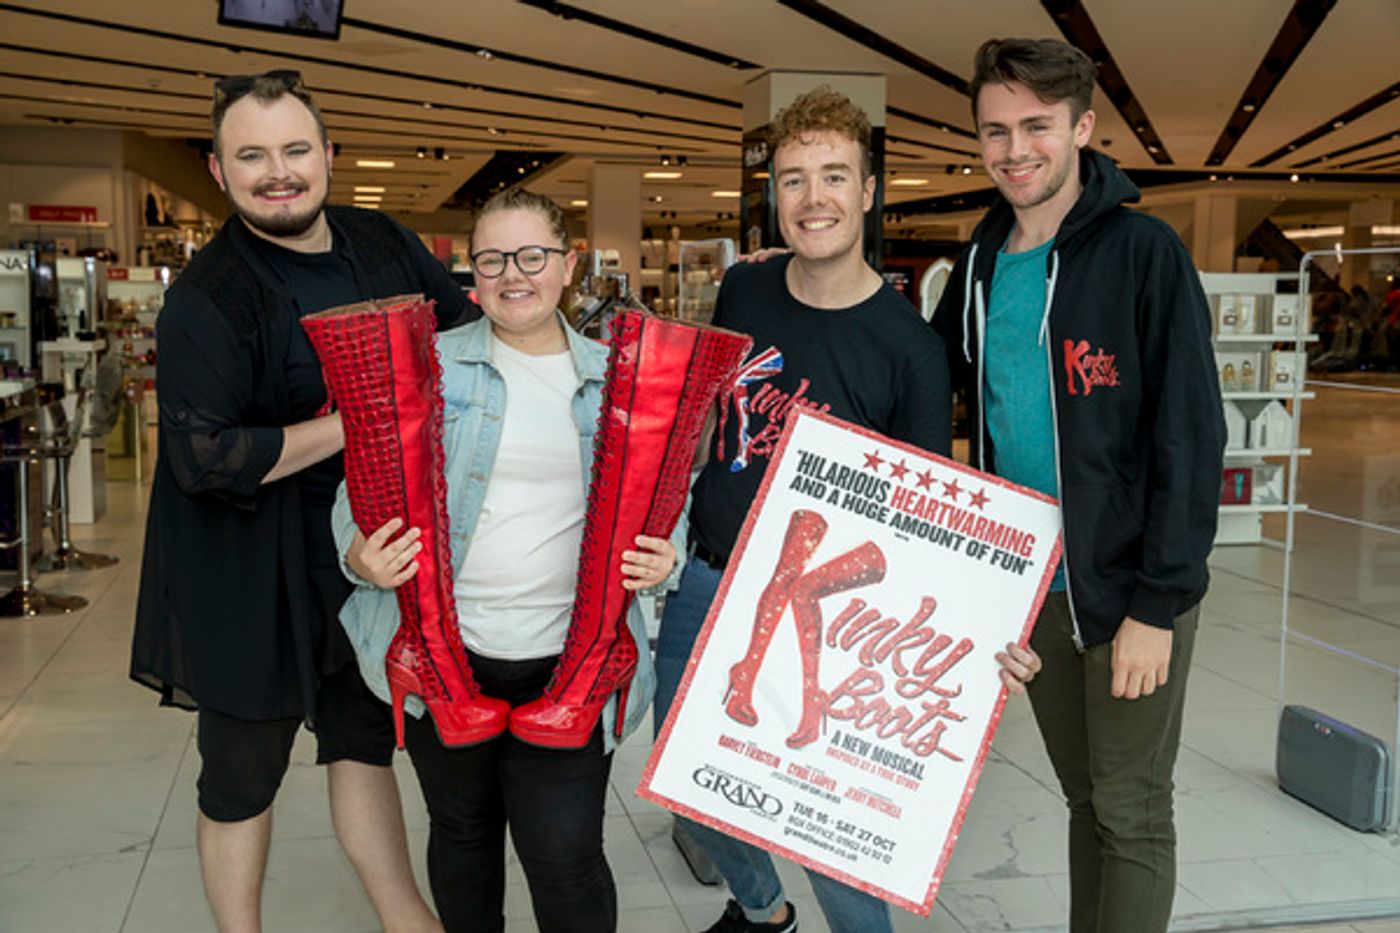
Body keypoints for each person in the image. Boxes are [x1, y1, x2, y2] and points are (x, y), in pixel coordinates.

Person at [653, 86, 1041, 933]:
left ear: (869, 191)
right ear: (773, 198)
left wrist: (986, 632)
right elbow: (717, 417)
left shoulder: (911, 350)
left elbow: (933, 527)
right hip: (711, 575)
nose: (814, 198)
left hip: (824, 605)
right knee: (685, 781)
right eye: (793, 180)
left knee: (836, 837)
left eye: (835, 176)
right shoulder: (742, 293)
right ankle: (763, 911)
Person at [130, 70, 472, 933]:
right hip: (244, 560)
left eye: (293, 150)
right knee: (243, 766)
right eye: (251, 156)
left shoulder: (383, 242)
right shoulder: (209, 296)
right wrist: (367, 415)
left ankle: (408, 920)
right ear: (218, 170)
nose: (276, 172)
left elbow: (463, 336)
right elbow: (206, 455)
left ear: (328, 154)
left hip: (361, 548)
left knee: (362, 738)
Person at [932, 39, 1226, 933]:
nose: (1014, 148)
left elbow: (1191, 433)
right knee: (1085, 802)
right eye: (996, 129)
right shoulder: (981, 263)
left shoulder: (1143, 254)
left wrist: (1156, 604)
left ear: (1082, 129)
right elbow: (920, 378)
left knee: (1131, 808)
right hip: (1033, 586)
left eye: (1036, 126)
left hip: (1132, 584)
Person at [333, 188, 679, 933]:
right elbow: (354, 487)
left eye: (532, 256)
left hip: (573, 663)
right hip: (445, 655)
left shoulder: (618, 375)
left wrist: (664, 557)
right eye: (490, 259)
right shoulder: (427, 366)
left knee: (565, 850)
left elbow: (663, 494)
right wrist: (360, 554)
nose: (511, 274)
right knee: (462, 834)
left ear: (568, 264)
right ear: (470, 270)